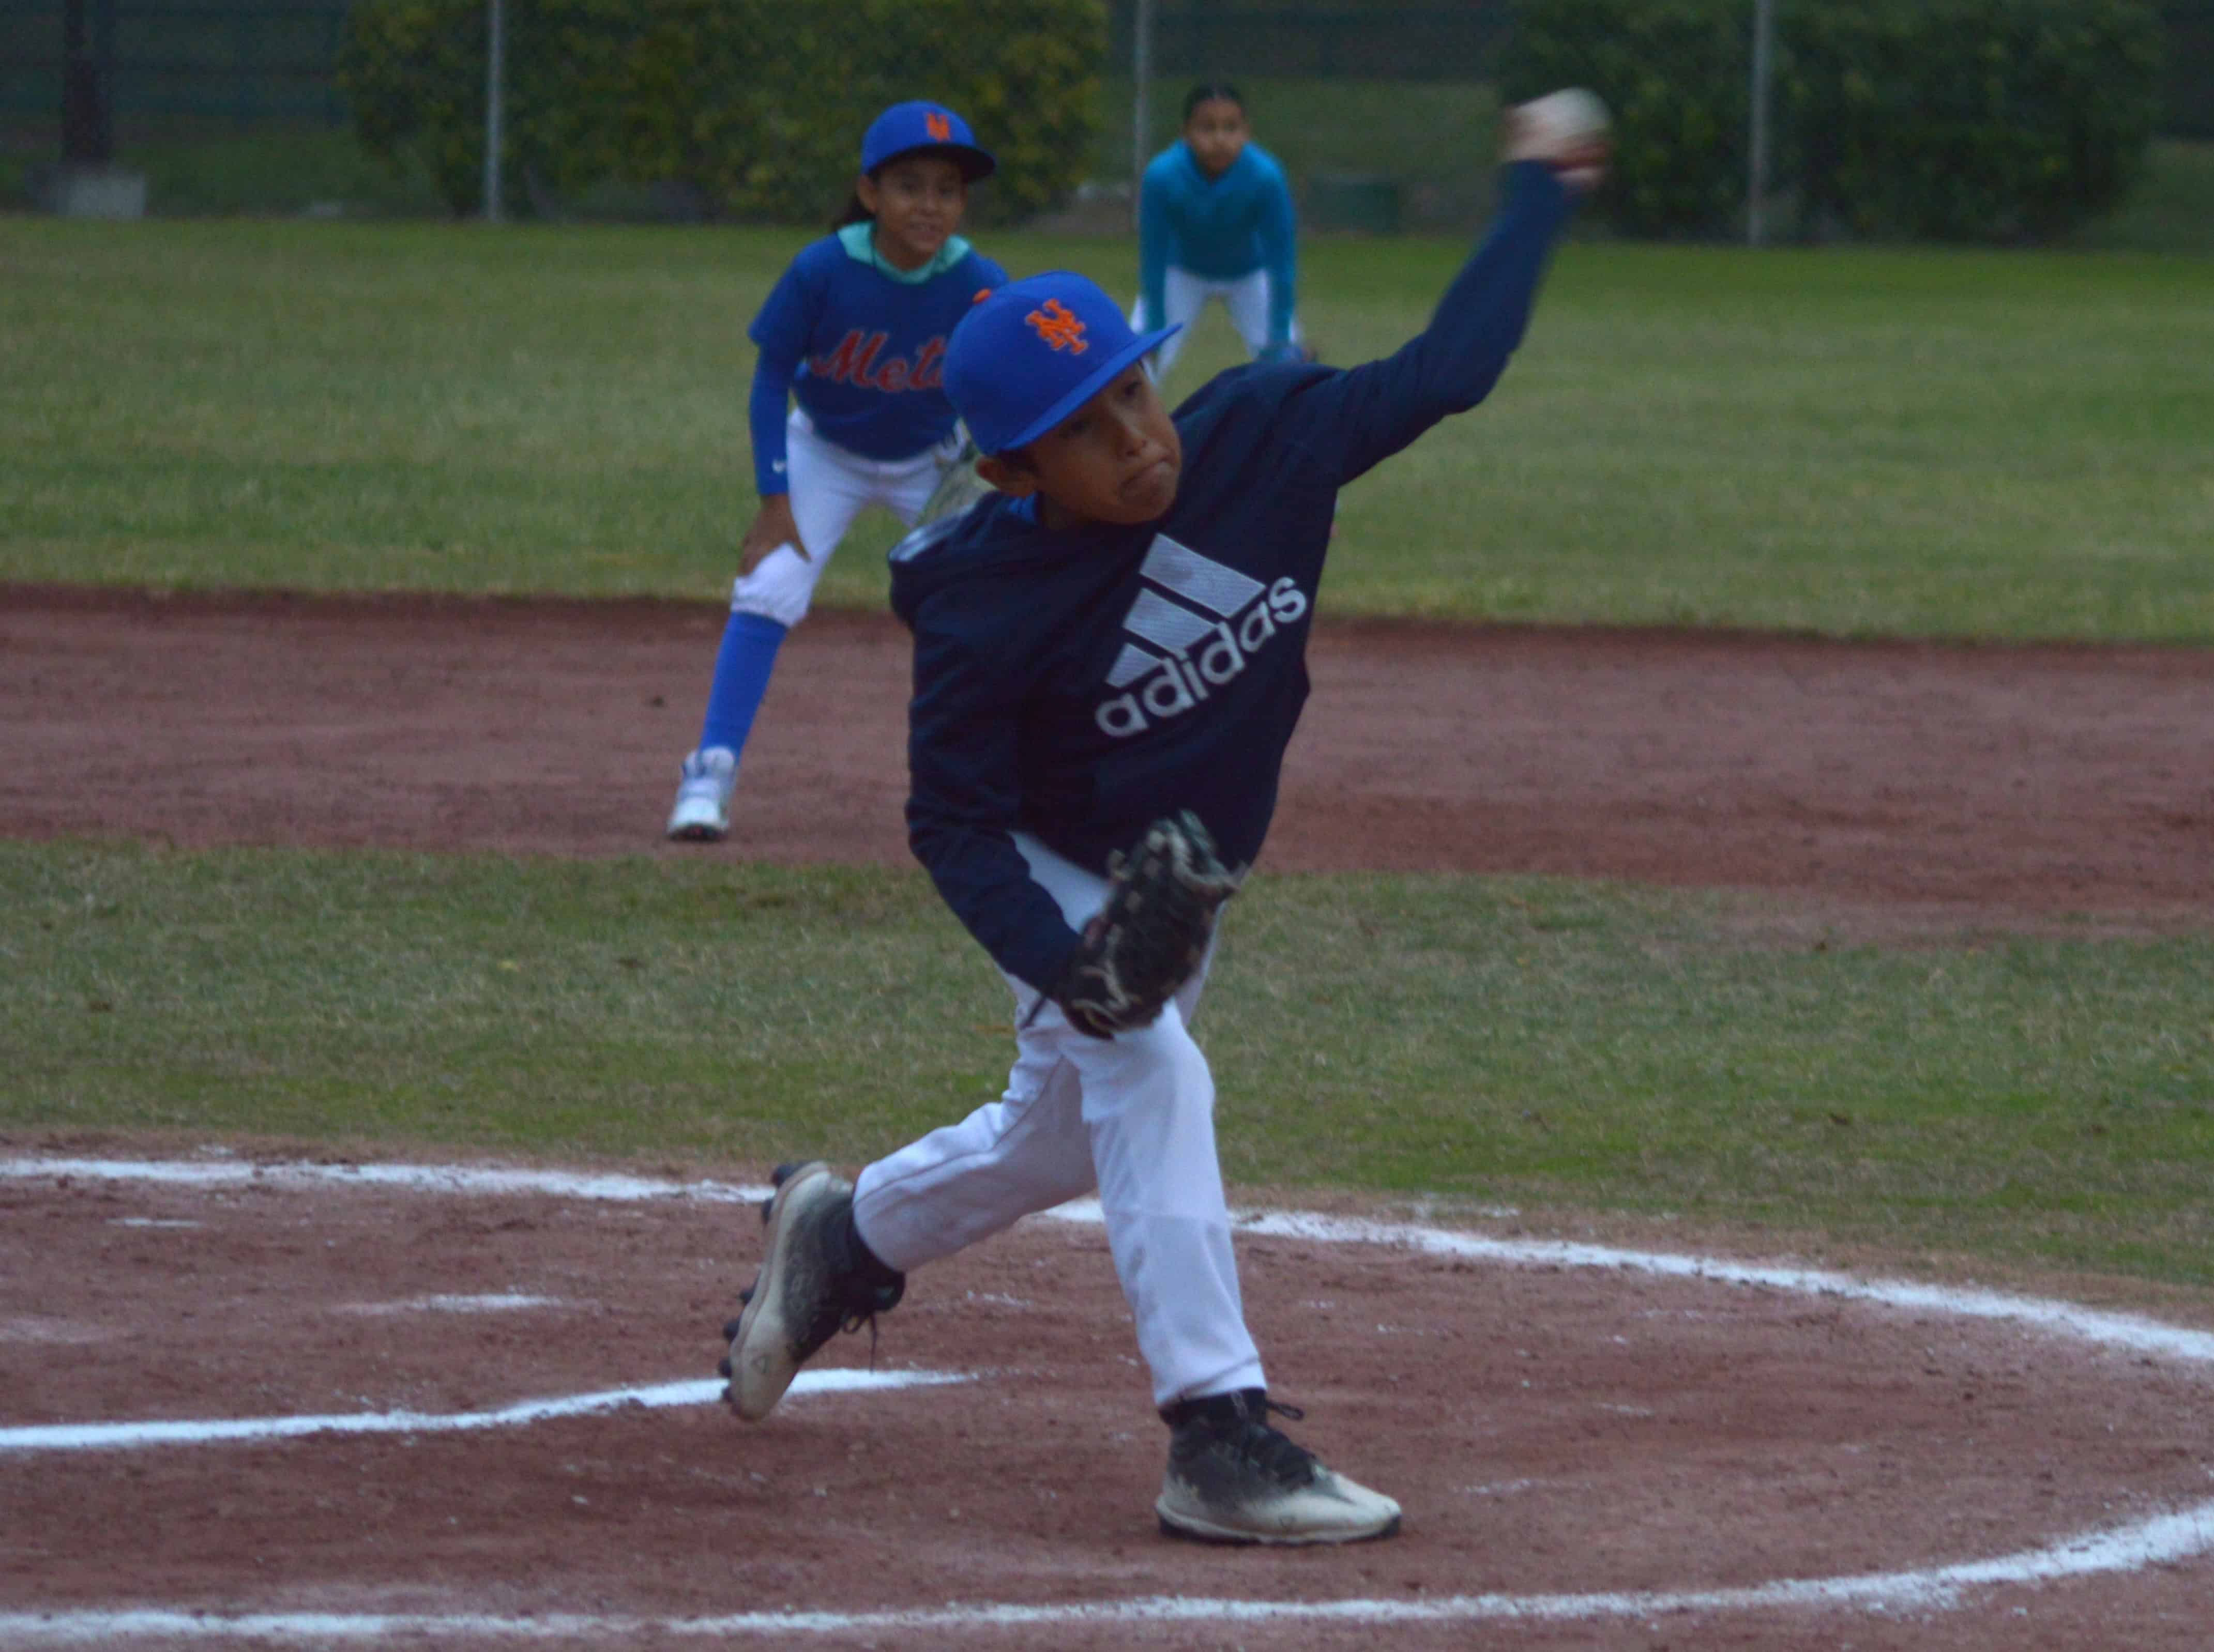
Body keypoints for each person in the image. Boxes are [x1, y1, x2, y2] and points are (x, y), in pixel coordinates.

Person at [718, 94, 1610, 1544]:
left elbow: (1448, 372)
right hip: (1048, 859)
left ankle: (843, 1234)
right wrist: (1067, 968)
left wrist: (1539, 194)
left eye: (1135, 390)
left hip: (1173, 879)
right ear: (1016, 471)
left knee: (1065, 1136)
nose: (1139, 438)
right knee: (1151, 1068)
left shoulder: (1259, 434)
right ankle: (1216, 1434)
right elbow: (947, 821)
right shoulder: (983, 603)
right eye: (1089, 429)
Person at [664, 100, 1009, 843]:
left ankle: (1000, 781)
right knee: (768, 586)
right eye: (910, 185)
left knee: (990, 604)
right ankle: (711, 768)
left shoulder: (978, 280)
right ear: (869, 193)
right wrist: (774, 497)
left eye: (947, 189)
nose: (930, 204)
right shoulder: (823, 269)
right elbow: (768, 383)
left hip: (934, 463)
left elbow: (1008, 381)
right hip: (826, 453)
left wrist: (993, 471)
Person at [1131, 83, 1302, 388]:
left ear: (1247, 131)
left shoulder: (1266, 176)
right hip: (1183, 272)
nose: (1220, 139)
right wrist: (1154, 332)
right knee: (1133, 367)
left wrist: (1279, 337)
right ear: (1186, 132)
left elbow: (1282, 260)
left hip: (1249, 274)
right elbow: (1153, 257)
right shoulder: (1162, 176)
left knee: (1291, 375)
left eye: (1231, 127)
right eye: (1207, 128)